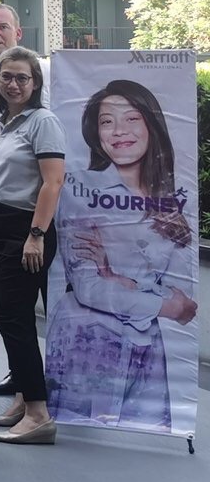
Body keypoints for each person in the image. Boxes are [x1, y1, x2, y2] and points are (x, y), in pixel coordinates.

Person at [46, 79, 197, 431]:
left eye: (131, 118)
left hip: (147, 352)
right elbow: (88, 288)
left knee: (146, 434)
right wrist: (163, 304)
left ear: (151, 125)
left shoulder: (172, 199)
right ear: (95, 133)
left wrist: (121, 280)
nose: (118, 131)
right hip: (88, 342)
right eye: (107, 121)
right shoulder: (80, 187)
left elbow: (187, 301)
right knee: (81, 437)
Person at [0, 47, 66, 444]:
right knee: (9, 317)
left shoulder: (43, 121)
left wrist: (36, 235)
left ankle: (39, 414)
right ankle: (24, 399)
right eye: (6, 77)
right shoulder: (1, 121)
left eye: (22, 77)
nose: (13, 84)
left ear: (35, 82)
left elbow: (52, 182)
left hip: (24, 231)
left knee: (13, 318)